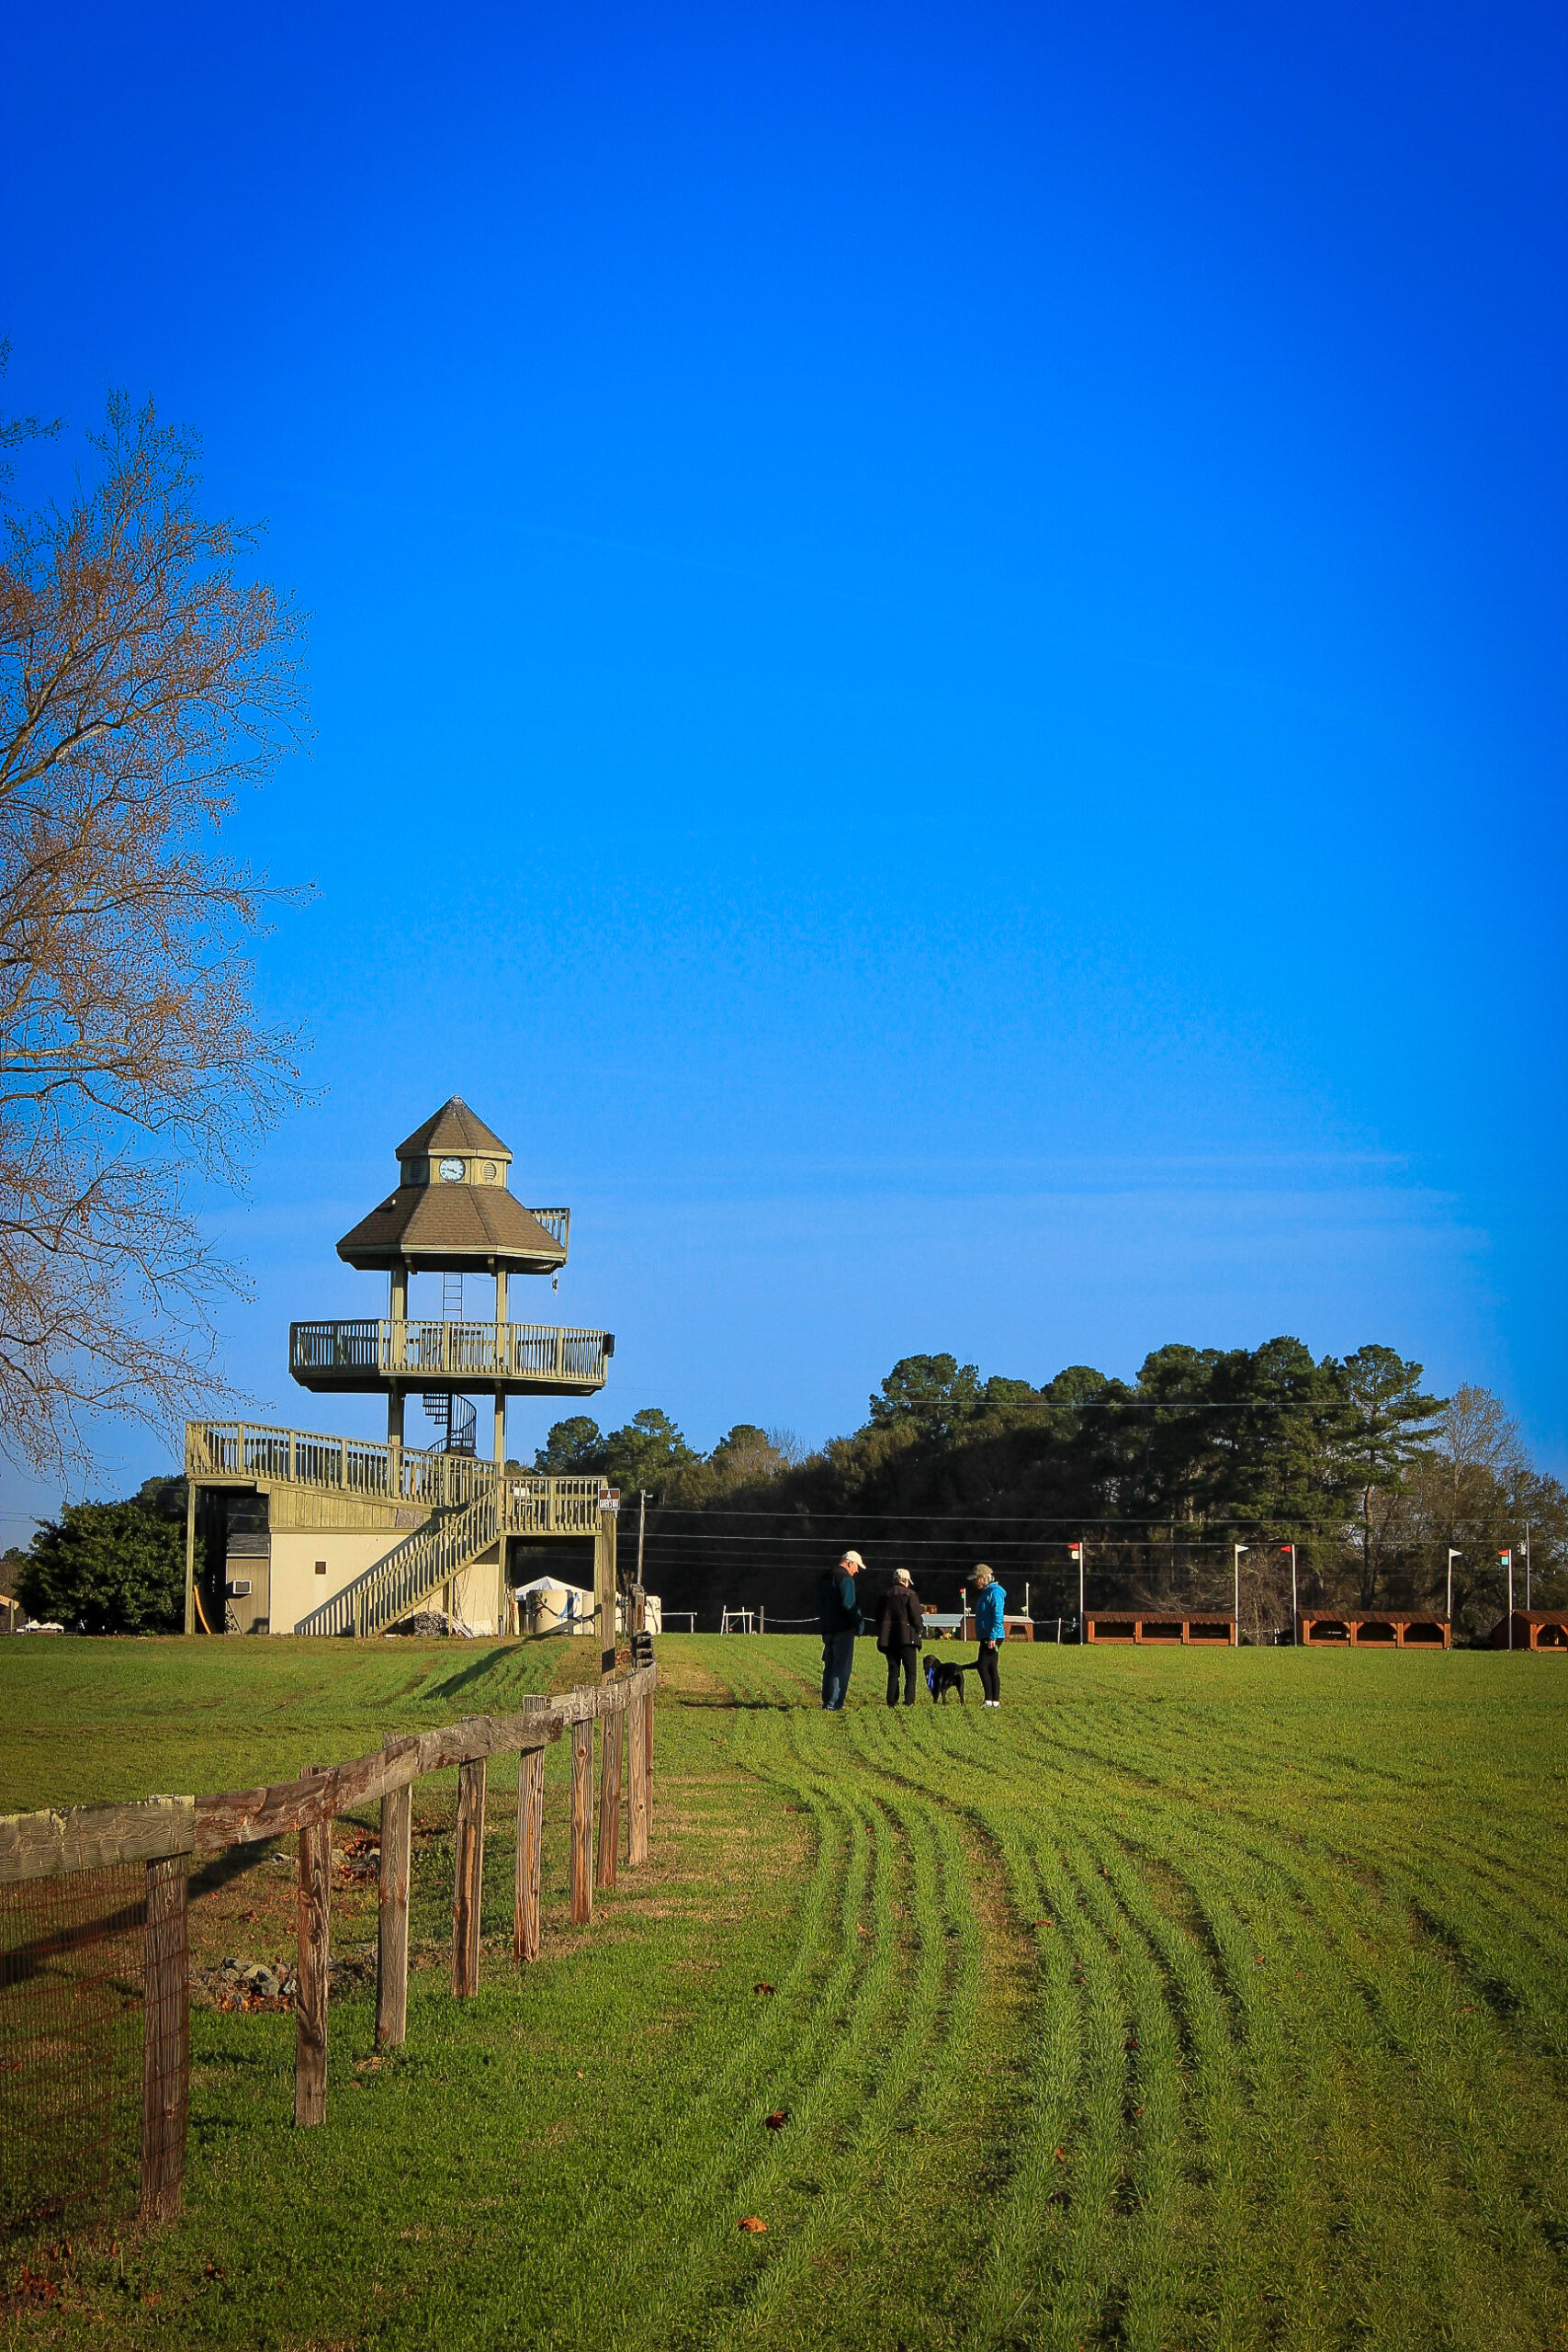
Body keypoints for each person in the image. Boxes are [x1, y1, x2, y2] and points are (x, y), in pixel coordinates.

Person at [818, 1550, 865, 1710]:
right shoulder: (845, 1578)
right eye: (856, 1566)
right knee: (841, 1669)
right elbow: (849, 1604)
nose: (857, 1571)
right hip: (843, 1629)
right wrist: (859, 1625)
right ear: (850, 1563)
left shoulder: (825, 1577)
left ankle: (826, 1700)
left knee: (829, 1666)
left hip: (827, 1628)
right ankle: (834, 1704)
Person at [876, 1567, 926, 1707]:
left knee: (893, 1671)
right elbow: (915, 1616)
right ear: (904, 1581)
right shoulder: (910, 1595)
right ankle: (908, 1701)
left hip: (889, 1640)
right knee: (910, 1672)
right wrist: (919, 1628)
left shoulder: (884, 1595)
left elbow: (878, 1617)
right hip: (907, 1639)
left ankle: (891, 1700)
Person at [971, 1563, 1006, 1706]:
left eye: (976, 1579)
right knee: (990, 1667)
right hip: (987, 1635)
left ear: (983, 1578)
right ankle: (993, 1701)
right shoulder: (986, 1592)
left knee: (983, 1666)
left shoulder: (995, 1592)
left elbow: (998, 1615)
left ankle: (990, 1700)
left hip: (993, 1635)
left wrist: (992, 1636)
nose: (974, 1582)